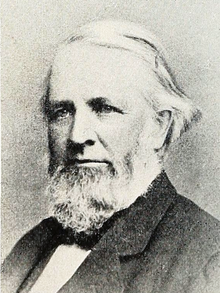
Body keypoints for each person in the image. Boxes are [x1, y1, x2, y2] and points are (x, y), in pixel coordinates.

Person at [2, 20, 220, 293]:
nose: (76, 136)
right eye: (62, 112)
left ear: (158, 127)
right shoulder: (32, 245)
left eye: (104, 108)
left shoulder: (210, 258)